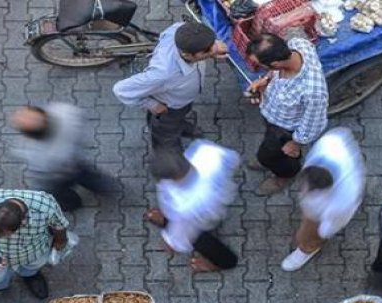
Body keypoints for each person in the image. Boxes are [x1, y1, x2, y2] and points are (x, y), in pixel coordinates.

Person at [113, 23, 227, 175]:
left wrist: (210, 50)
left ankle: (181, 127)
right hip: (168, 109)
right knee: (166, 139)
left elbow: (167, 32)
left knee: (180, 116)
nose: (214, 49)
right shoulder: (163, 74)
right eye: (206, 50)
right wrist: (152, 104)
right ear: (187, 55)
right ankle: (175, 167)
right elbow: (121, 89)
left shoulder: (181, 31)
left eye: (212, 44)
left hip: (182, 101)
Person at [245, 33, 329, 195]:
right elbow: (273, 73)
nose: (259, 68)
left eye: (260, 65)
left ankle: (284, 176)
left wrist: (296, 143)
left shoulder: (312, 91)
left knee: (273, 156)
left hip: (285, 130)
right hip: (272, 117)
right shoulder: (298, 44)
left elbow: (315, 122)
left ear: (275, 63)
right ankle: (267, 159)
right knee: (268, 145)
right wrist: (266, 80)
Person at [144, 141, 240, 272]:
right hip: (215, 199)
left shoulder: (186, 204)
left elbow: (183, 230)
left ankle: (222, 262)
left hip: (199, 219)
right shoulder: (204, 151)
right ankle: (166, 220)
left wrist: (172, 242)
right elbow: (232, 158)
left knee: (200, 240)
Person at [281, 127, 365, 272]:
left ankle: (308, 248)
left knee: (310, 233)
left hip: (327, 210)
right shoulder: (326, 147)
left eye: (310, 190)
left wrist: (321, 231)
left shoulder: (344, 197)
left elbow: (332, 224)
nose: (304, 190)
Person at [9, 103, 119, 211]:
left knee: (59, 194)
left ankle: (72, 204)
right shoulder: (65, 112)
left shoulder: (32, 150)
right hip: (76, 162)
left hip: (57, 176)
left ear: (29, 135)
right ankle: (105, 187)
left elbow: (41, 173)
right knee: (88, 176)